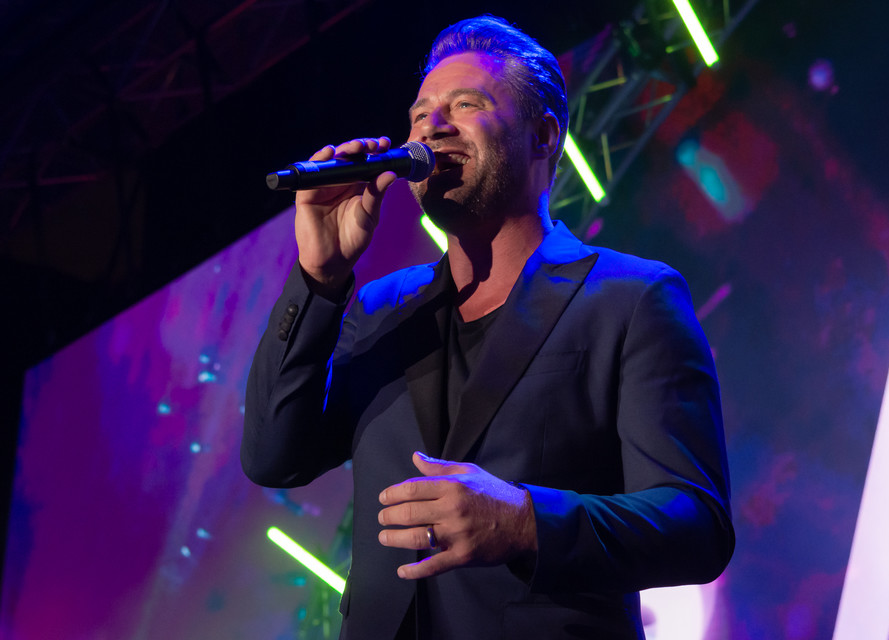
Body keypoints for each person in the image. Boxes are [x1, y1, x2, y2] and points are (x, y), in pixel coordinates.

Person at [243, 15, 733, 640]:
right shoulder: (382, 307)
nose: (432, 127)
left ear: (543, 135)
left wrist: (527, 522)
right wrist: (319, 278)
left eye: (465, 105)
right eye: (420, 115)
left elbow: (696, 525)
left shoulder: (631, 298)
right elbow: (272, 457)